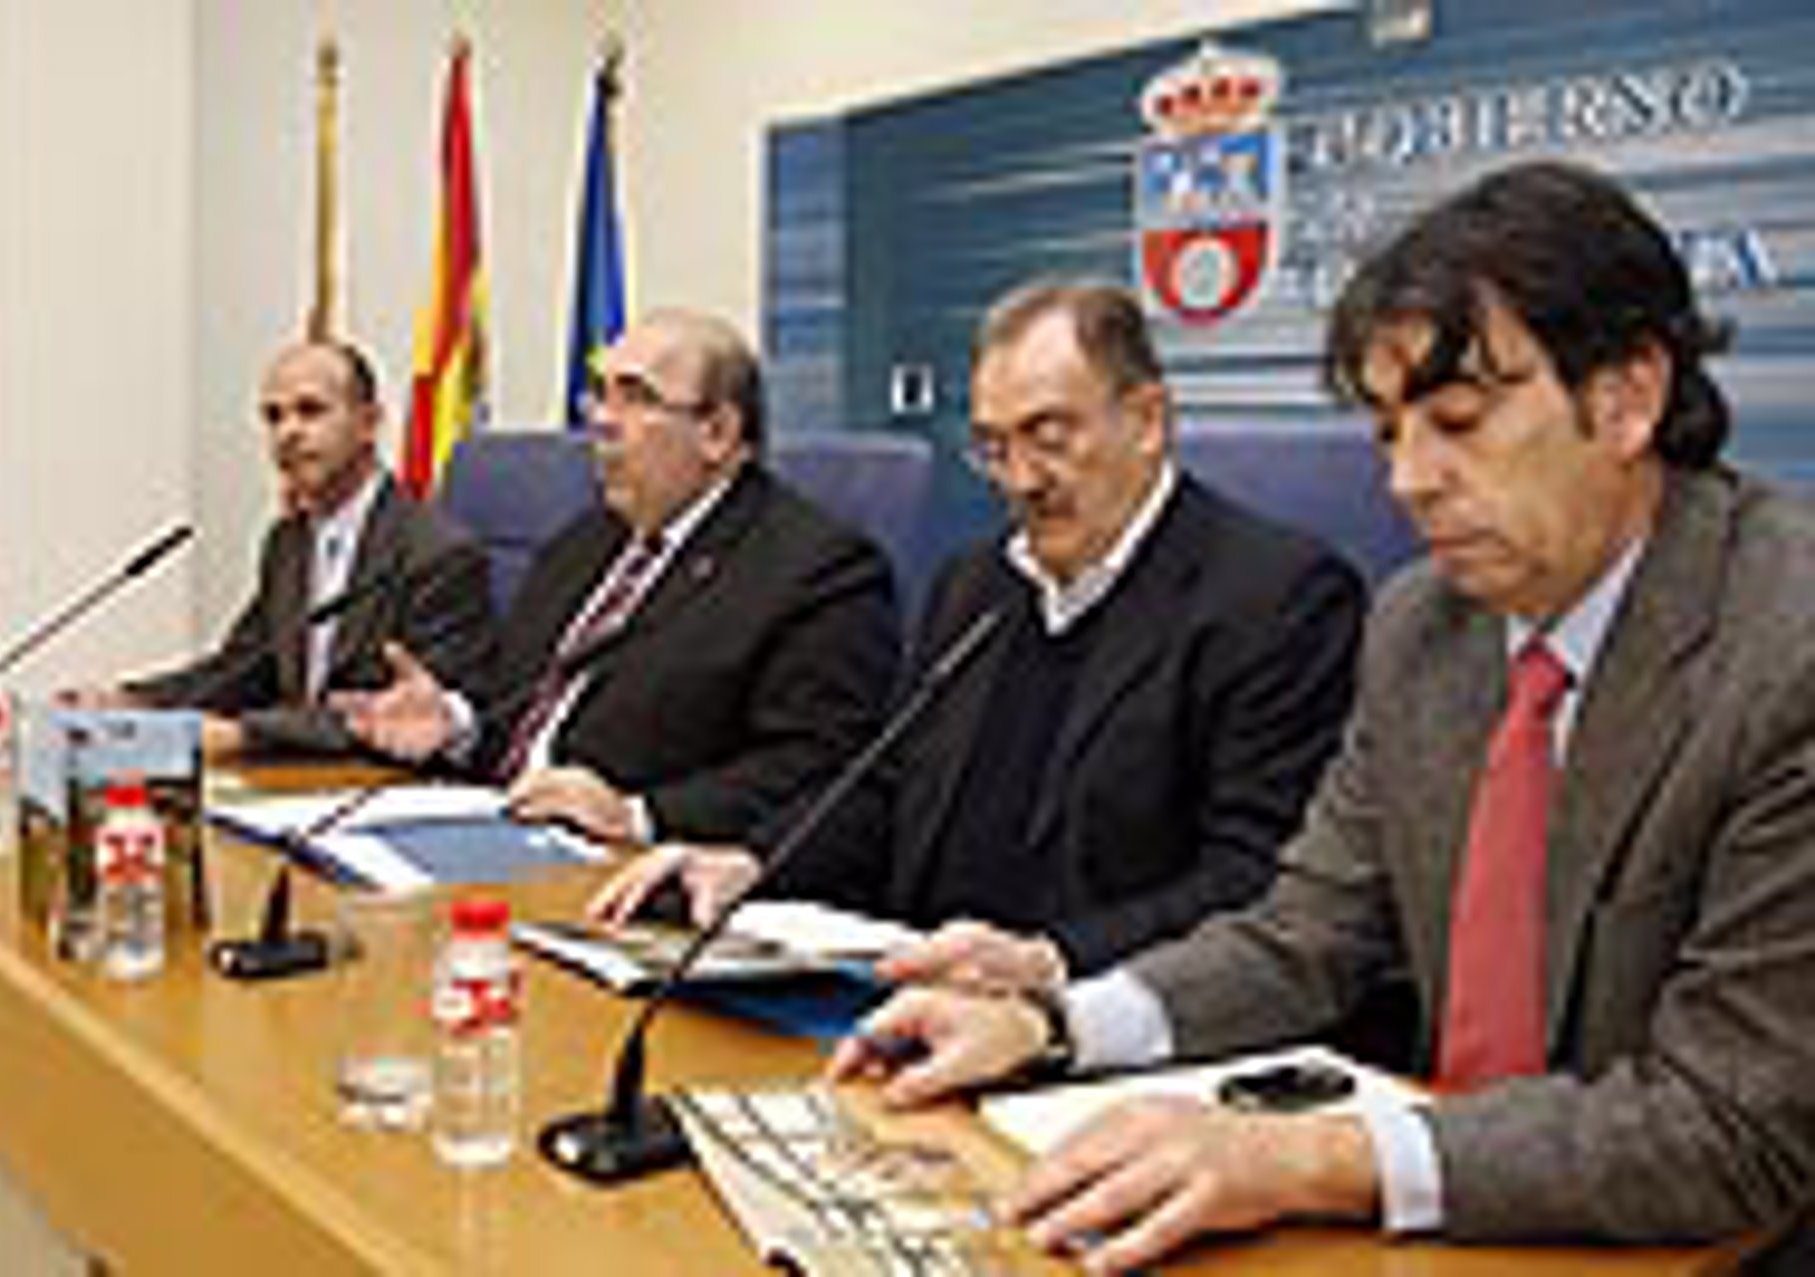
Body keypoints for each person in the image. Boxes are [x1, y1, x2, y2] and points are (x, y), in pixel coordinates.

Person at [827, 159, 1815, 1269]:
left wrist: (1307, 1158)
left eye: (1458, 421)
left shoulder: (1789, 643)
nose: (1409, 481)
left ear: (1628, 397)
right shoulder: (1423, 625)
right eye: (1391, 432)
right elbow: (1306, 934)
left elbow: (1731, 1124)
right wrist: (1051, 1023)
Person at [590, 280, 1364, 983]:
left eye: (1050, 436)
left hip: (1104, 1023)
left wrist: (1048, 962)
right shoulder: (978, 585)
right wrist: (751, 864)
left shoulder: (1274, 597)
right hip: (917, 990)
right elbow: (885, 789)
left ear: (1147, 420)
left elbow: (1253, 882)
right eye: (994, 447)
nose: (1021, 479)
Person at [336, 308, 899, 845]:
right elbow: (523, 702)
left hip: (632, 868)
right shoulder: (583, 543)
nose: (602, 421)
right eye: (600, 395)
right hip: (497, 831)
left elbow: (818, 772)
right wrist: (455, 726)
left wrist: (638, 815)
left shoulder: (814, 570)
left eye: (636, 397)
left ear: (718, 433)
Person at [74, 341, 496, 759]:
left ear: (369, 423)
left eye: (310, 411)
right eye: (273, 417)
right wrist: (133, 702)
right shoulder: (287, 542)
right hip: (297, 776)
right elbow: (243, 666)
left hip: (387, 781)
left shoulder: (437, 552)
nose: (287, 433)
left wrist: (244, 735)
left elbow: (412, 718)